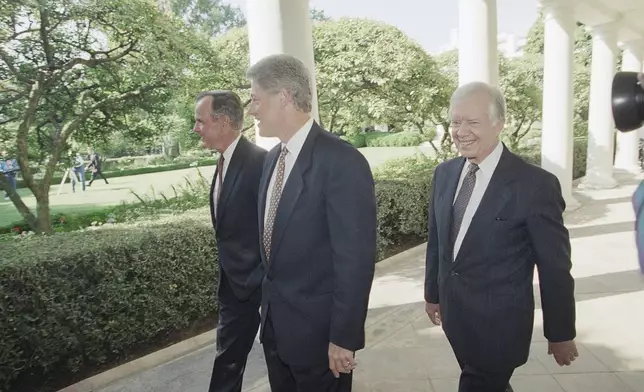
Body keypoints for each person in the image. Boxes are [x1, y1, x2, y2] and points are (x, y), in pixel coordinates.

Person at [423, 81, 578, 392]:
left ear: (499, 123)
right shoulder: (445, 174)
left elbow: (554, 267)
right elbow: (437, 239)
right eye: (455, 121)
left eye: (473, 122)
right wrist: (432, 294)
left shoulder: (535, 185)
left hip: (499, 329)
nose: (461, 131)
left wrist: (560, 332)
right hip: (456, 318)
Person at [247, 54, 377, 392]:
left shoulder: (342, 161)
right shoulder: (273, 159)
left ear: (284, 98)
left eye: (256, 99)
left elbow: (355, 260)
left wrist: (344, 338)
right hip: (277, 334)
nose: (251, 109)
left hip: (322, 344)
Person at [193, 90, 267, 392]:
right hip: (233, 288)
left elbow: (274, 227)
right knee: (228, 360)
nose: (196, 128)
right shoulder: (223, 161)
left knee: (283, 358)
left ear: (222, 122)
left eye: (200, 121)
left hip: (262, 286)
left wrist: (258, 276)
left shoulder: (260, 163)